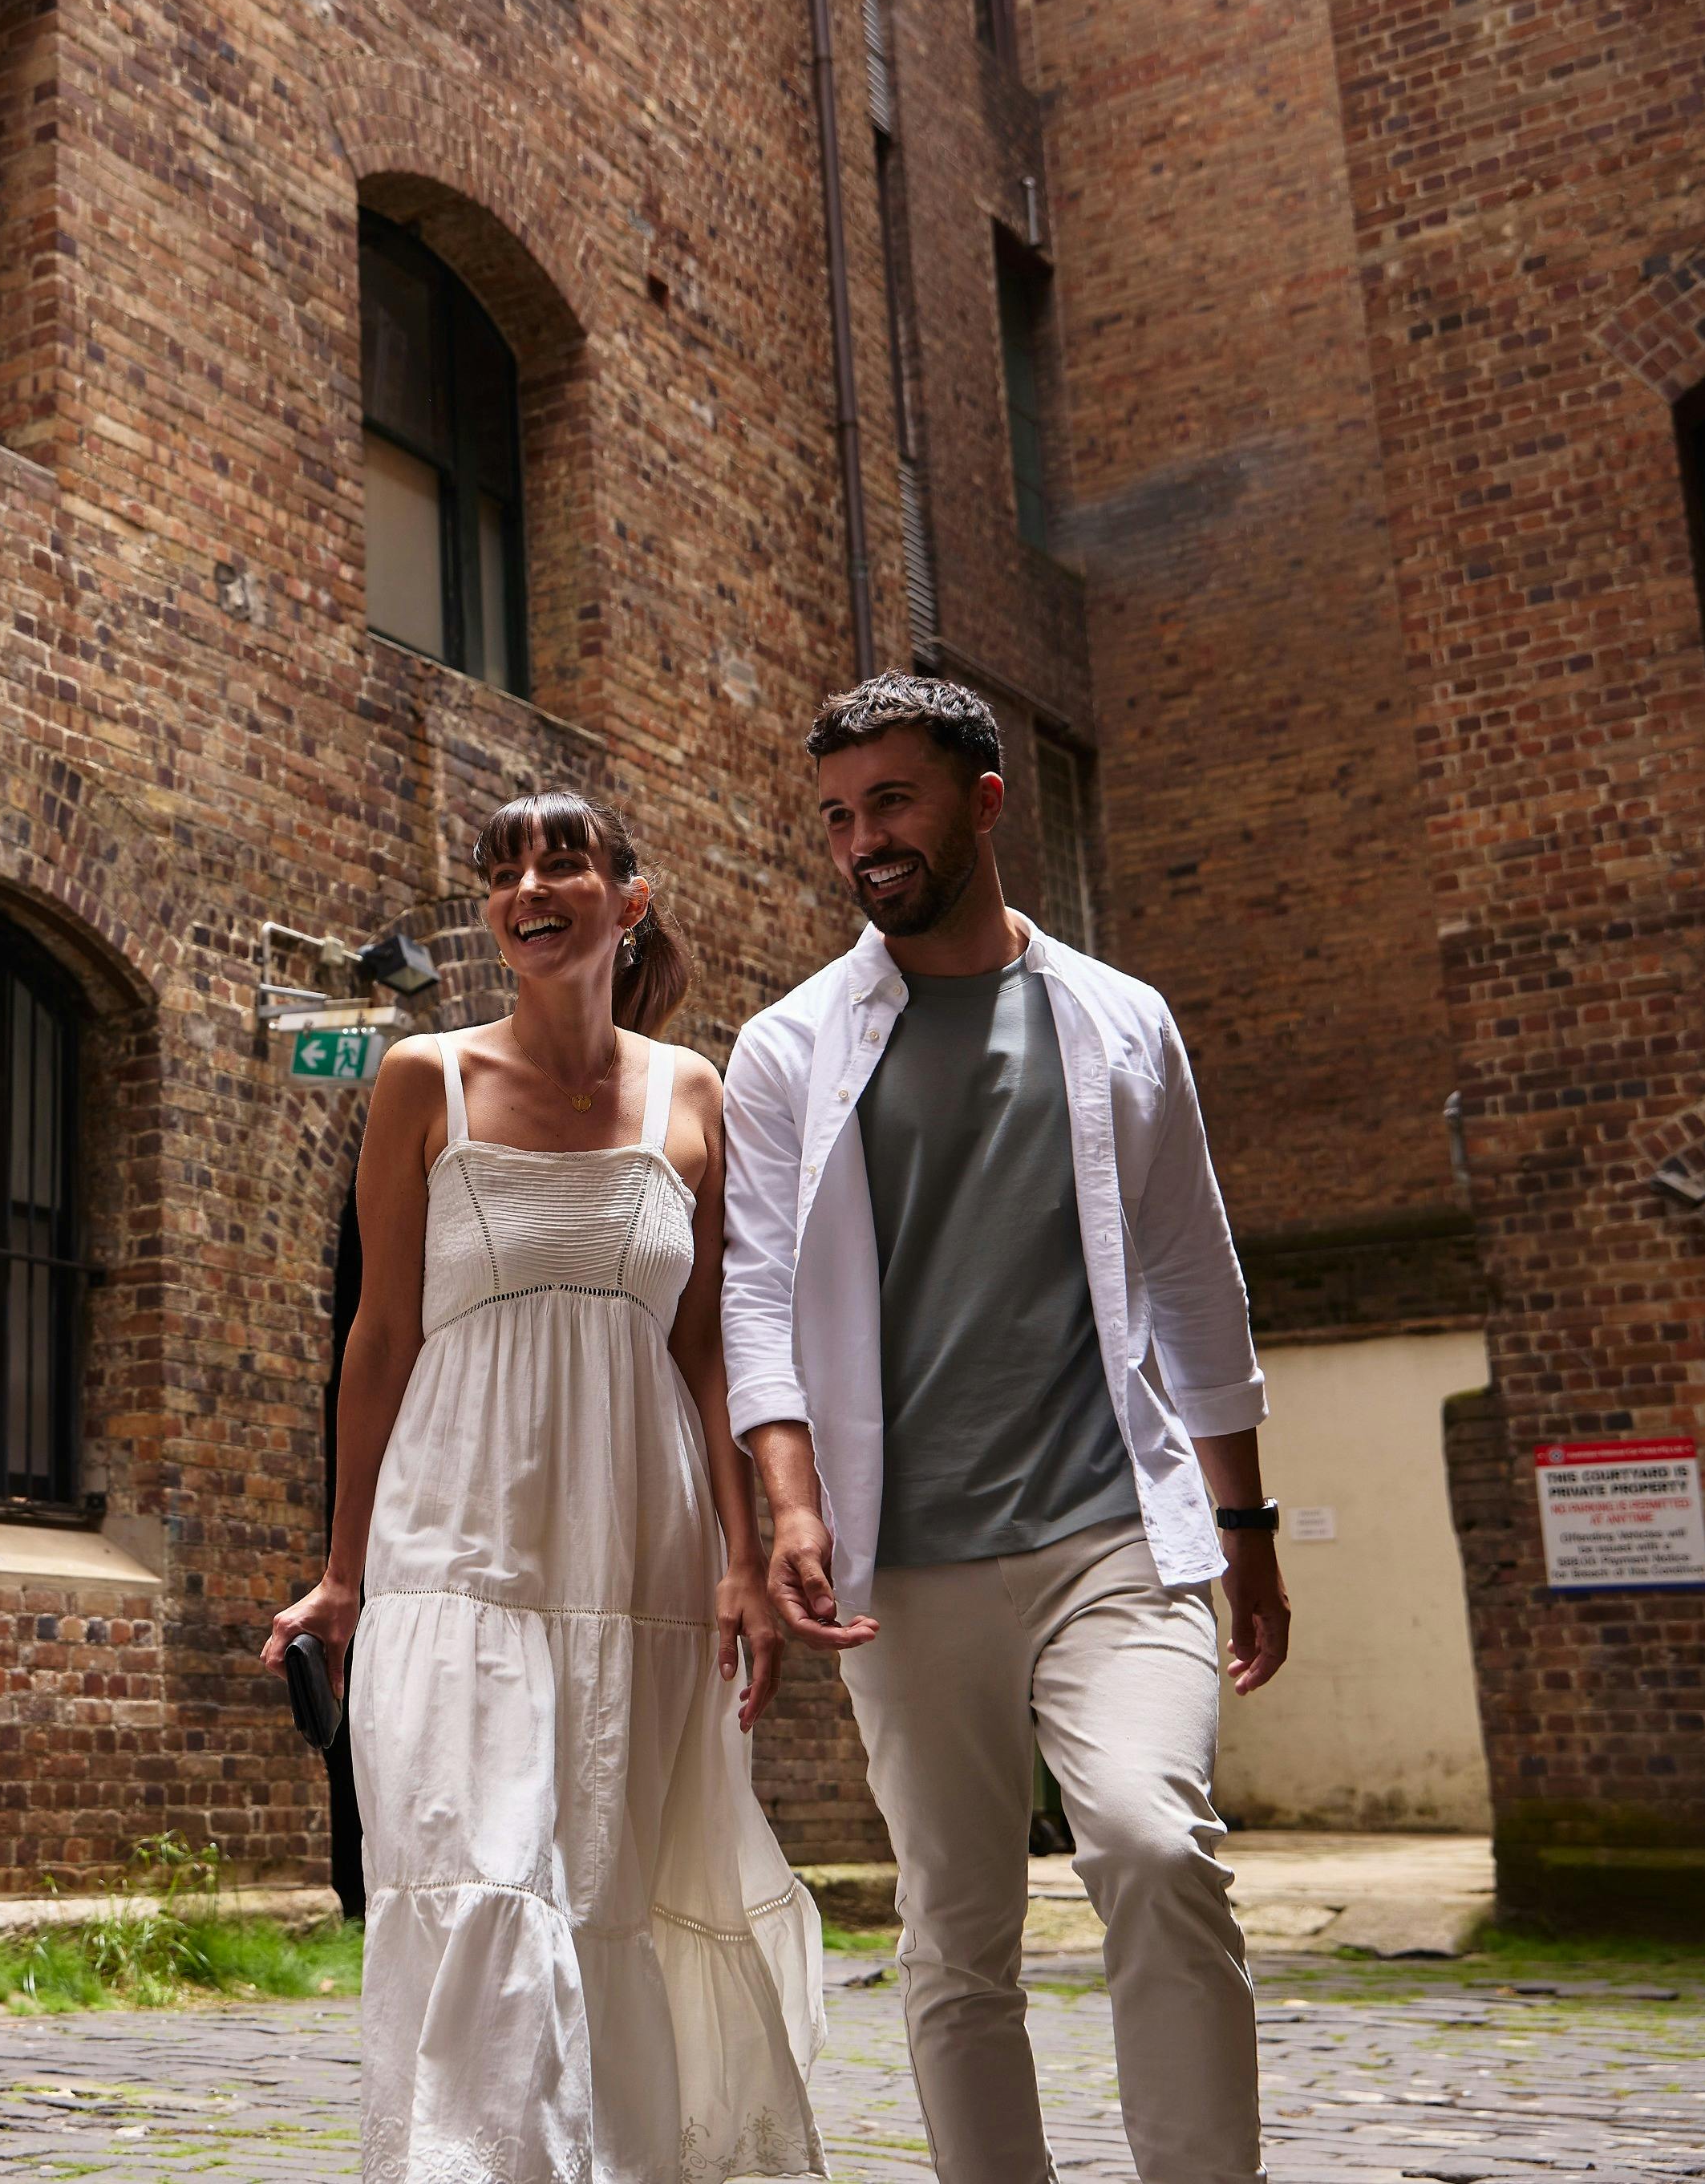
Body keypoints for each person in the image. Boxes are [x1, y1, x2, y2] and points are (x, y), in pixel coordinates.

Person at [721, 675, 1291, 2184]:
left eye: (891, 804)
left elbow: (1190, 1276)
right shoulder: (787, 1046)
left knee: (1156, 1848)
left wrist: (1246, 1527)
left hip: (1111, 1527)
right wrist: (788, 1503)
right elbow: (757, 1298)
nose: (863, 843)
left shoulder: (1119, 1019)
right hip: (900, 1564)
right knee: (955, 1926)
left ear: (981, 801)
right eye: (838, 817)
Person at [269, 791, 824, 2184]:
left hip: (639, 1551)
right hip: (453, 1544)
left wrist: (742, 1561)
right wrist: (344, 1573)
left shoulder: (689, 1091)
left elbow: (703, 1347)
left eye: (560, 859)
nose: (527, 883)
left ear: (624, 900)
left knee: (608, 1892)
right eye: (502, 867)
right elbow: (378, 1338)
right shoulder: (420, 1077)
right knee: (479, 1876)